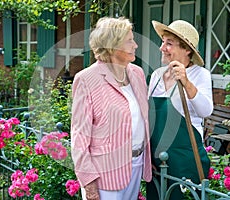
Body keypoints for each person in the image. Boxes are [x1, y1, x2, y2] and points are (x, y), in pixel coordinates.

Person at [71, 17, 152, 200]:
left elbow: (142, 120)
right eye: (130, 40)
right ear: (112, 45)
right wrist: (89, 183)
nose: (135, 45)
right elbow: (79, 137)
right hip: (104, 173)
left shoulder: (137, 74)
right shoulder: (87, 79)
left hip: (136, 165)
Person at [147, 20, 213, 199]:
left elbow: (206, 111)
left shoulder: (200, 74)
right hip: (157, 160)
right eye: (162, 42)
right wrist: (147, 155)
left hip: (185, 158)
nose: (162, 48)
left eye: (169, 43)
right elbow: (148, 119)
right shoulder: (156, 76)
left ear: (187, 50)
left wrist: (186, 82)